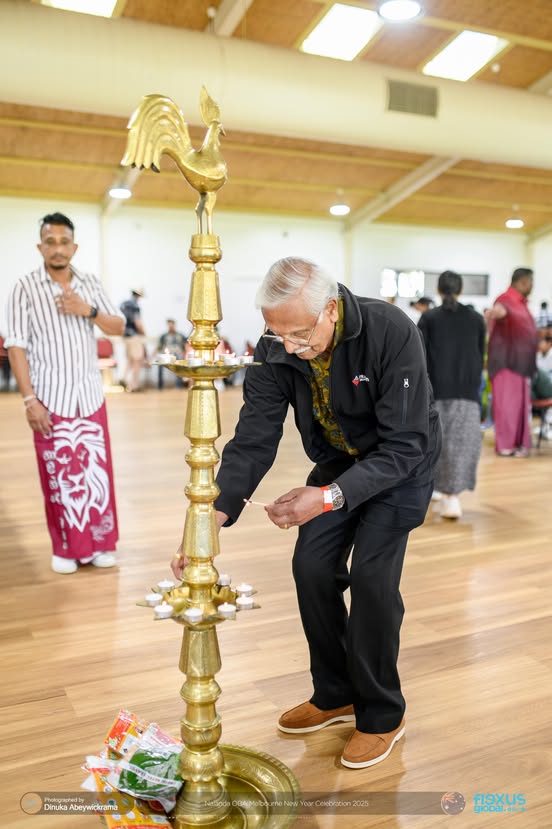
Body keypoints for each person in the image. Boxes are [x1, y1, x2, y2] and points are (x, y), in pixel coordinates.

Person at [172, 257, 441, 769]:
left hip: (401, 466)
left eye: (299, 334)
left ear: (331, 310)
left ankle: (383, 714)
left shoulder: (391, 331)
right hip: (340, 461)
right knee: (311, 566)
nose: (289, 346)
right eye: (278, 334)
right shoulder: (276, 343)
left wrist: (325, 498)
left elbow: (405, 445)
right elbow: (254, 435)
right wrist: (211, 519)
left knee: (371, 578)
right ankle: (336, 692)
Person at [4, 212, 124, 574]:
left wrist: (87, 310)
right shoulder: (24, 287)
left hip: (88, 395)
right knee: (58, 476)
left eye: (64, 241)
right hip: (49, 399)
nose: (58, 248)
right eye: (50, 241)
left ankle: (101, 543)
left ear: (75, 246)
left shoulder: (89, 283)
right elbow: (15, 346)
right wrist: (29, 400)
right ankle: (67, 548)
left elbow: (117, 326)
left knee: (95, 472)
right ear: (40, 246)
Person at [418, 271, 486, 519]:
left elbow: (419, 357)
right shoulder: (476, 319)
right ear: (460, 289)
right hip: (466, 392)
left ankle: (444, 493)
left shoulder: (429, 318)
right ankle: (449, 495)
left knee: (434, 443)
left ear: (438, 289)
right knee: (460, 445)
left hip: (434, 391)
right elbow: (480, 356)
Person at [485, 268, 538, 457]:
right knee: (507, 406)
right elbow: (501, 311)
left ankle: (519, 444)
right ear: (523, 282)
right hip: (506, 363)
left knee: (520, 407)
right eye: (531, 282)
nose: (532, 286)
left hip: (521, 365)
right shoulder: (506, 299)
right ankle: (506, 445)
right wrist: (495, 313)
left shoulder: (521, 303)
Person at [120, 288, 146, 392]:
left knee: (130, 359)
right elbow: (138, 323)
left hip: (125, 335)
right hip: (134, 336)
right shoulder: (135, 306)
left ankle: (123, 378)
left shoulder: (123, 304)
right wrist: (144, 332)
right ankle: (133, 385)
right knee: (137, 360)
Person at [156, 319, 187, 389]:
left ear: (174, 325)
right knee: (159, 363)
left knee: (179, 363)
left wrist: (185, 355)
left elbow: (185, 347)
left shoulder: (180, 335)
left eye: (172, 325)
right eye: (169, 325)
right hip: (167, 355)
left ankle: (179, 385)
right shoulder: (164, 336)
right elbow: (159, 347)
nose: (171, 327)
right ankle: (160, 386)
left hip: (177, 354)